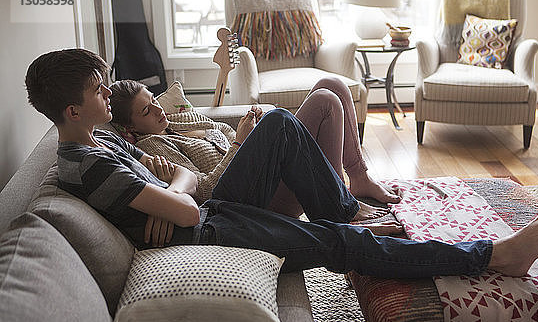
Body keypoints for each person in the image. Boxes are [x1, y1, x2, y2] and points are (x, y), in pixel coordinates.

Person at [24, 48, 538, 279]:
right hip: (207, 233)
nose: (103, 93)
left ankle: (348, 206)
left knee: (281, 124)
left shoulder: (99, 143)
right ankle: (493, 256)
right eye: (97, 89)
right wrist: (179, 197)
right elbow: (186, 212)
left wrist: (178, 192)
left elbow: (179, 185)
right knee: (339, 245)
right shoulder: (89, 165)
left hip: (203, 212)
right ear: (73, 109)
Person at [108, 77, 400, 218]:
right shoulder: (155, 145)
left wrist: (252, 131)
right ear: (129, 128)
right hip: (257, 200)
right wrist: (240, 141)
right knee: (325, 100)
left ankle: (359, 179)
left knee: (332, 84)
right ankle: (337, 207)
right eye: (146, 112)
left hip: (266, 172)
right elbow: (206, 191)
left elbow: (226, 137)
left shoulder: (178, 119)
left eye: (154, 100)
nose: (158, 110)